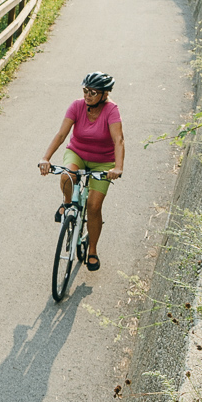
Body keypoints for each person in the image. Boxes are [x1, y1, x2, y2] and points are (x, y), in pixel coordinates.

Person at [38, 71, 124, 271]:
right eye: (85, 90)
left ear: (104, 94)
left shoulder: (111, 110)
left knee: (94, 207)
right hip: (77, 153)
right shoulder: (77, 106)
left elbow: (119, 140)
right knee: (68, 175)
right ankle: (67, 204)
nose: (87, 95)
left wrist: (117, 167)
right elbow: (61, 135)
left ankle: (92, 249)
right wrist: (46, 158)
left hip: (103, 162)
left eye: (93, 92)